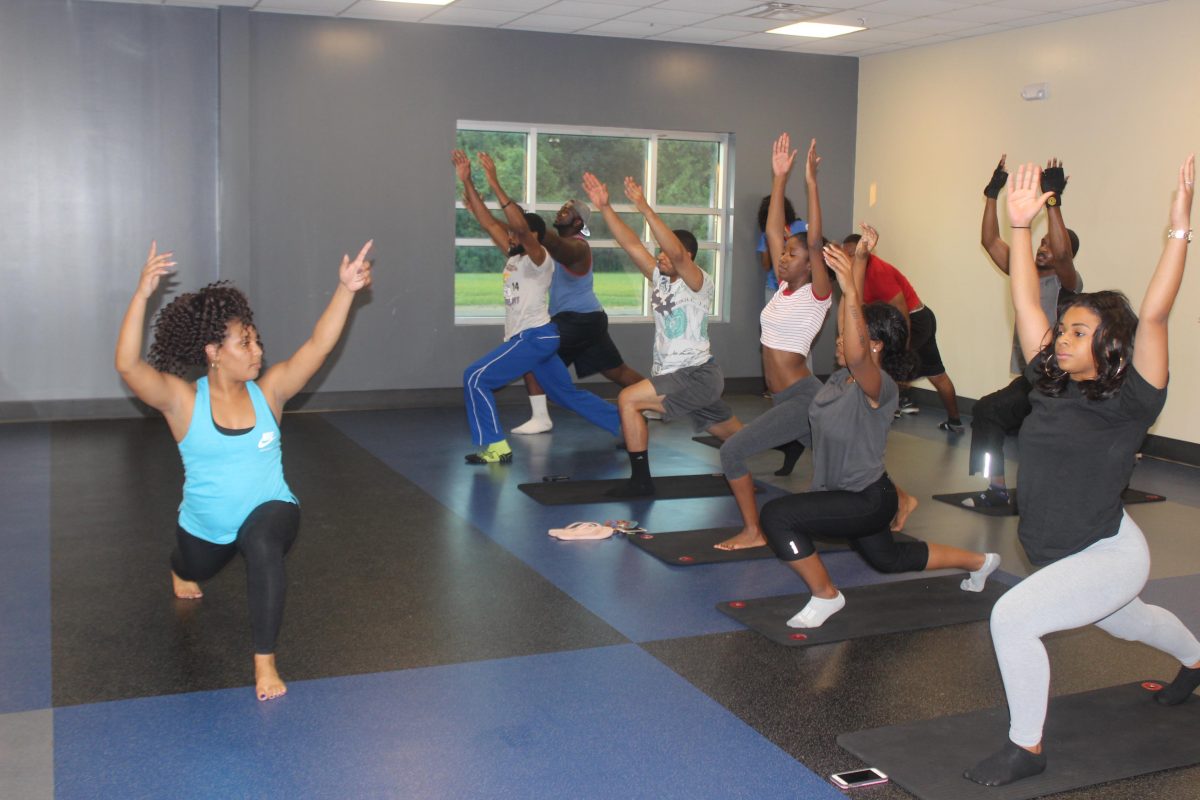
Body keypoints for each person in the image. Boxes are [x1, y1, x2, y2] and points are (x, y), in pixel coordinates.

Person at [965, 158, 1200, 787]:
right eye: (1062, 329)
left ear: (1109, 347)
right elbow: (1022, 296)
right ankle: (1198, 659)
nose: (1061, 339)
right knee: (1134, 622)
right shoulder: (1049, 383)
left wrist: (1179, 230)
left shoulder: (1131, 404)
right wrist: (1018, 228)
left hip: (1106, 553)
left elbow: (1152, 315)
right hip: (1067, 551)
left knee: (1012, 618)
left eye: (1077, 331)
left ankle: (1027, 747)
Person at [114, 238, 374, 702]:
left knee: (262, 539)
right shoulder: (182, 400)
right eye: (245, 342)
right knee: (191, 562)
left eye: (256, 338)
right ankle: (180, 566)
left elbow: (317, 345)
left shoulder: (270, 391)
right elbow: (128, 366)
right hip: (206, 527)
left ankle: (264, 662)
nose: (257, 349)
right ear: (214, 351)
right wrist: (141, 295)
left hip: (272, 507)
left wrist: (346, 290)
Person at [758, 237, 999, 629]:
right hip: (855, 491)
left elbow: (855, 350)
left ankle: (826, 595)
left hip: (862, 499)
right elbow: (848, 334)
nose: (841, 339)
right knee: (890, 560)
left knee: (779, 516)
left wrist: (851, 287)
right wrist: (856, 266)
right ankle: (982, 562)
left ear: (875, 346)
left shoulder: (879, 385)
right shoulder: (841, 378)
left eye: (852, 336)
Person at [581, 171, 743, 497]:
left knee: (628, 399)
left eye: (667, 252)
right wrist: (606, 208)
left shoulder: (699, 282)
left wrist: (644, 207)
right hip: (685, 376)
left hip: (694, 374)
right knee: (731, 432)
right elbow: (630, 244)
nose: (661, 256)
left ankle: (641, 481)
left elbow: (679, 255)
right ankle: (786, 441)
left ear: (688, 256)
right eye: (661, 252)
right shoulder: (662, 279)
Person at [454, 150, 621, 463]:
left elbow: (517, 225)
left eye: (518, 231)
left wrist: (495, 182)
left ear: (531, 236)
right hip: (539, 338)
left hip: (533, 336)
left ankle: (495, 447)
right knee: (563, 394)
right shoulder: (514, 255)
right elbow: (487, 221)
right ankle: (626, 423)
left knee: (475, 377)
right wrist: (468, 182)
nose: (511, 233)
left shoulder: (539, 258)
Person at [714, 133, 832, 550]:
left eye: (792, 254)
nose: (784, 257)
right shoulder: (783, 289)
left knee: (732, 452)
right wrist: (778, 179)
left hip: (803, 398)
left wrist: (811, 183)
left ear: (812, 263)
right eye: (783, 253)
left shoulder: (816, 293)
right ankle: (901, 500)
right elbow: (771, 229)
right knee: (843, 461)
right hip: (785, 400)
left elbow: (815, 242)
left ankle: (753, 532)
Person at [963, 155, 1081, 508]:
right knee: (987, 413)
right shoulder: (1024, 274)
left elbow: (1062, 252)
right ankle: (996, 488)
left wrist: (1053, 200)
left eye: (1048, 244)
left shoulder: (1068, 281)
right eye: (1039, 243)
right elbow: (990, 241)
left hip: (1062, 378)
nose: (1043, 248)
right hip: (1033, 376)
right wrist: (991, 194)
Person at [509, 191, 645, 434]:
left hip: (579, 319)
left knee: (531, 351)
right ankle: (657, 401)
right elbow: (530, 239)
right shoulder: (553, 247)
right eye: (562, 207)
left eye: (567, 210)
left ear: (577, 222)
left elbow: (558, 246)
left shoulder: (577, 247)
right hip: (590, 318)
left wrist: (534, 227)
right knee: (617, 371)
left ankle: (541, 418)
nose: (561, 211)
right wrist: (516, 216)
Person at [842, 232, 963, 432]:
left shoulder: (878, 271)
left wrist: (901, 348)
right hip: (914, 318)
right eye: (844, 254)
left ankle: (896, 405)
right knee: (936, 374)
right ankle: (954, 421)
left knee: (885, 362)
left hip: (914, 320)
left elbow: (901, 311)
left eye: (851, 253)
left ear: (864, 251)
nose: (847, 258)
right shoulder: (857, 273)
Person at [756, 193, 806, 307]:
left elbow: (812, 255)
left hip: (798, 287)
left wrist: (789, 240)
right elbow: (766, 266)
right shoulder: (766, 234)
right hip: (773, 287)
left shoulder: (800, 226)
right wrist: (770, 242)